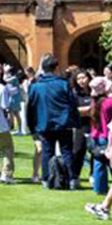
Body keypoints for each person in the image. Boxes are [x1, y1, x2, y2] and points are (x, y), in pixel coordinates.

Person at [28, 54, 80, 190]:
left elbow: (31, 108)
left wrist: (32, 127)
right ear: (56, 67)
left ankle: (47, 179)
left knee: (47, 152)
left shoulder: (36, 86)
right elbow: (73, 104)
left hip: (45, 124)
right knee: (66, 152)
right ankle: (71, 180)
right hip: (63, 123)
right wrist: (76, 122)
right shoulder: (63, 84)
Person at [89, 76, 111, 196]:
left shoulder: (94, 103)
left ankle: (99, 188)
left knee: (99, 163)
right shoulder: (108, 103)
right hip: (107, 136)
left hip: (96, 136)